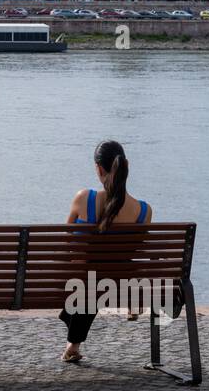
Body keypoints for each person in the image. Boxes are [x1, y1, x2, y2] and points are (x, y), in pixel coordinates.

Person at [59, 139, 152, 363]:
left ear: (98, 168)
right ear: (126, 166)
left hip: (79, 283)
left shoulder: (84, 198)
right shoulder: (144, 211)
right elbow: (136, 251)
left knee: (87, 279)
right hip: (118, 285)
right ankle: (73, 345)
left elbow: (66, 243)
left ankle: (73, 343)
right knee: (95, 279)